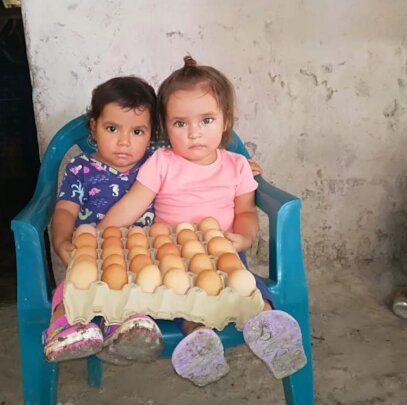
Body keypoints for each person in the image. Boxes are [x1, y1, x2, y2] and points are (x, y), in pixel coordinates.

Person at [98, 56, 307, 386]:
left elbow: (245, 211)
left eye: (206, 120)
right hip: (172, 256)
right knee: (184, 300)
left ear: (226, 121)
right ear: (166, 128)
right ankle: (200, 344)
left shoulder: (237, 166)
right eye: (180, 124)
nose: (194, 133)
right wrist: (100, 235)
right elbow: (132, 204)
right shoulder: (161, 163)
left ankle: (271, 332)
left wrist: (245, 237)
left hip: (222, 251)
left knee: (249, 289)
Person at [43, 76, 164, 365]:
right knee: (74, 284)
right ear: (93, 127)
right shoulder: (81, 167)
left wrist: (233, 165)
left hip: (142, 257)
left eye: (137, 131)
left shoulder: (158, 162)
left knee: (133, 288)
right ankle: (63, 328)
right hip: (93, 252)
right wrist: (61, 240)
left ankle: (125, 328)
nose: (124, 141)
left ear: (151, 134)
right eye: (112, 128)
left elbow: (197, 168)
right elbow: (66, 210)